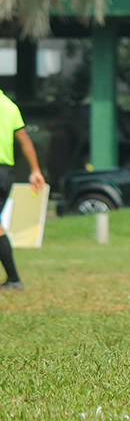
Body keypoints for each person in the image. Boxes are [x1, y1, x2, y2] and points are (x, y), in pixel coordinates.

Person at [0, 90, 46, 290]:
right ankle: (14, 279)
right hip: (4, 172)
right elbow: (24, 139)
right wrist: (35, 170)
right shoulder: (9, 105)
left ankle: (14, 279)